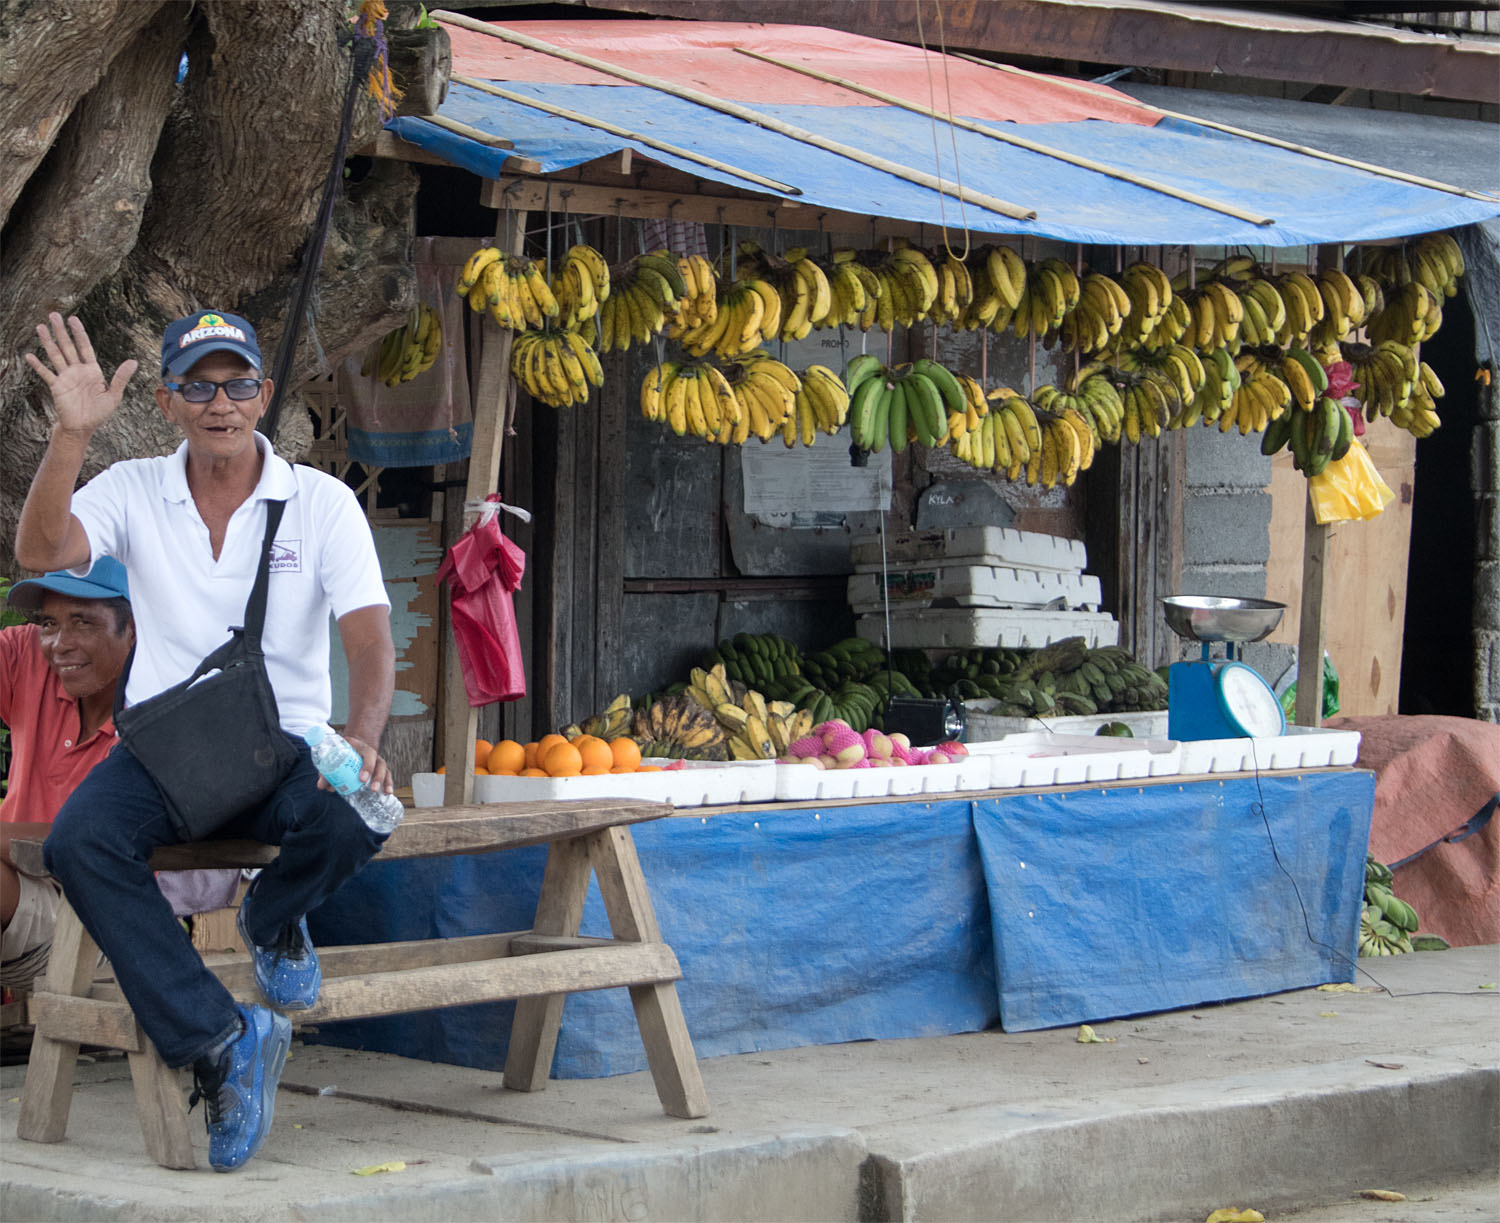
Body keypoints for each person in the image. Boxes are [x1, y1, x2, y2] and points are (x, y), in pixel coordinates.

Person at [16, 310, 397, 1172]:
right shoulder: (130, 487)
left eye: (235, 383)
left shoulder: (320, 503)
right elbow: (38, 550)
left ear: (263, 394)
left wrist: (363, 737)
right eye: (197, 384)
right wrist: (71, 436)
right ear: (166, 400)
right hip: (168, 749)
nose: (219, 402)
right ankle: (221, 1042)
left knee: (362, 811)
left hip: (288, 743)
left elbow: (371, 640)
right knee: (81, 841)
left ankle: (271, 915)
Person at [1, 560, 241, 996]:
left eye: (83, 623)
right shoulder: (26, 658)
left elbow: (95, 842)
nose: (59, 644)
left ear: (135, 629)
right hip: (25, 899)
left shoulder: (167, 718)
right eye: (50, 623)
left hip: (107, 924)